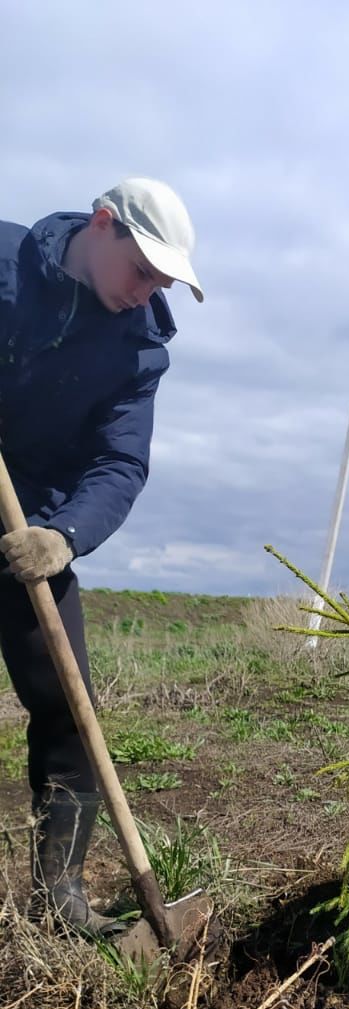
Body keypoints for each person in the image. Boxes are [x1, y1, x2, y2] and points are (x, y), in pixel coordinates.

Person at [0, 178, 202, 934]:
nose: (149, 290)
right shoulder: (6, 260)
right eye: (143, 269)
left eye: (163, 280)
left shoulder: (138, 347)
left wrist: (65, 537)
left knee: (70, 711)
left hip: (30, 540)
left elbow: (121, 465)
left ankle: (62, 901)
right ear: (103, 223)